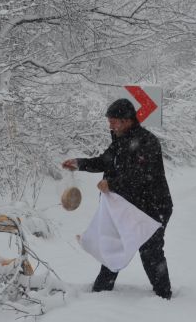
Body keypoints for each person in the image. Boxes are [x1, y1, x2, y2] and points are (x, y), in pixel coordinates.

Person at [62, 98, 173, 299]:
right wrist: (79, 163)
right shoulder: (120, 140)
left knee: (150, 251)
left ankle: (164, 296)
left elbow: (141, 175)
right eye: (110, 121)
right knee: (113, 244)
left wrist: (112, 184)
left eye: (114, 121)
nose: (110, 125)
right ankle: (101, 291)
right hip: (128, 206)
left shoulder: (147, 142)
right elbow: (104, 161)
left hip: (153, 207)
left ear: (127, 120)